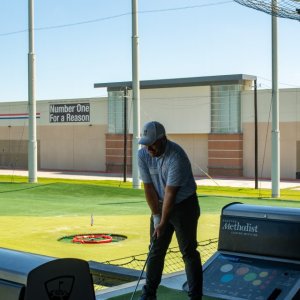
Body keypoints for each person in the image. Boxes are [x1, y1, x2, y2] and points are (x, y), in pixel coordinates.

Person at [137, 121, 203, 300]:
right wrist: (157, 218)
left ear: (163, 139)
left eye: (152, 143)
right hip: (159, 203)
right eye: (146, 143)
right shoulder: (142, 155)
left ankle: (195, 297)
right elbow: (149, 188)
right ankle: (149, 294)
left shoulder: (176, 156)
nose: (149, 148)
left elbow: (170, 194)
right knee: (155, 249)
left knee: (188, 251)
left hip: (184, 206)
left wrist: (163, 222)